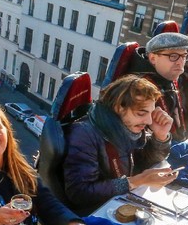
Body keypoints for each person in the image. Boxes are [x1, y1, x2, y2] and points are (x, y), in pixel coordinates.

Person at [62, 76, 177, 216]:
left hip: (117, 204)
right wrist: (135, 181)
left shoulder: (125, 127)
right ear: (118, 107)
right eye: (141, 113)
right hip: (95, 215)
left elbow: (145, 160)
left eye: (151, 113)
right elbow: (80, 193)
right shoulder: (84, 135)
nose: (148, 120)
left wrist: (160, 136)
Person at [128, 31, 188, 142]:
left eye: (184, 56)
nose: (180, 62)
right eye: (174, 56)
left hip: (173, 142)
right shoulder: (139, 88)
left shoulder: (169, 79)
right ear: (153, 58)